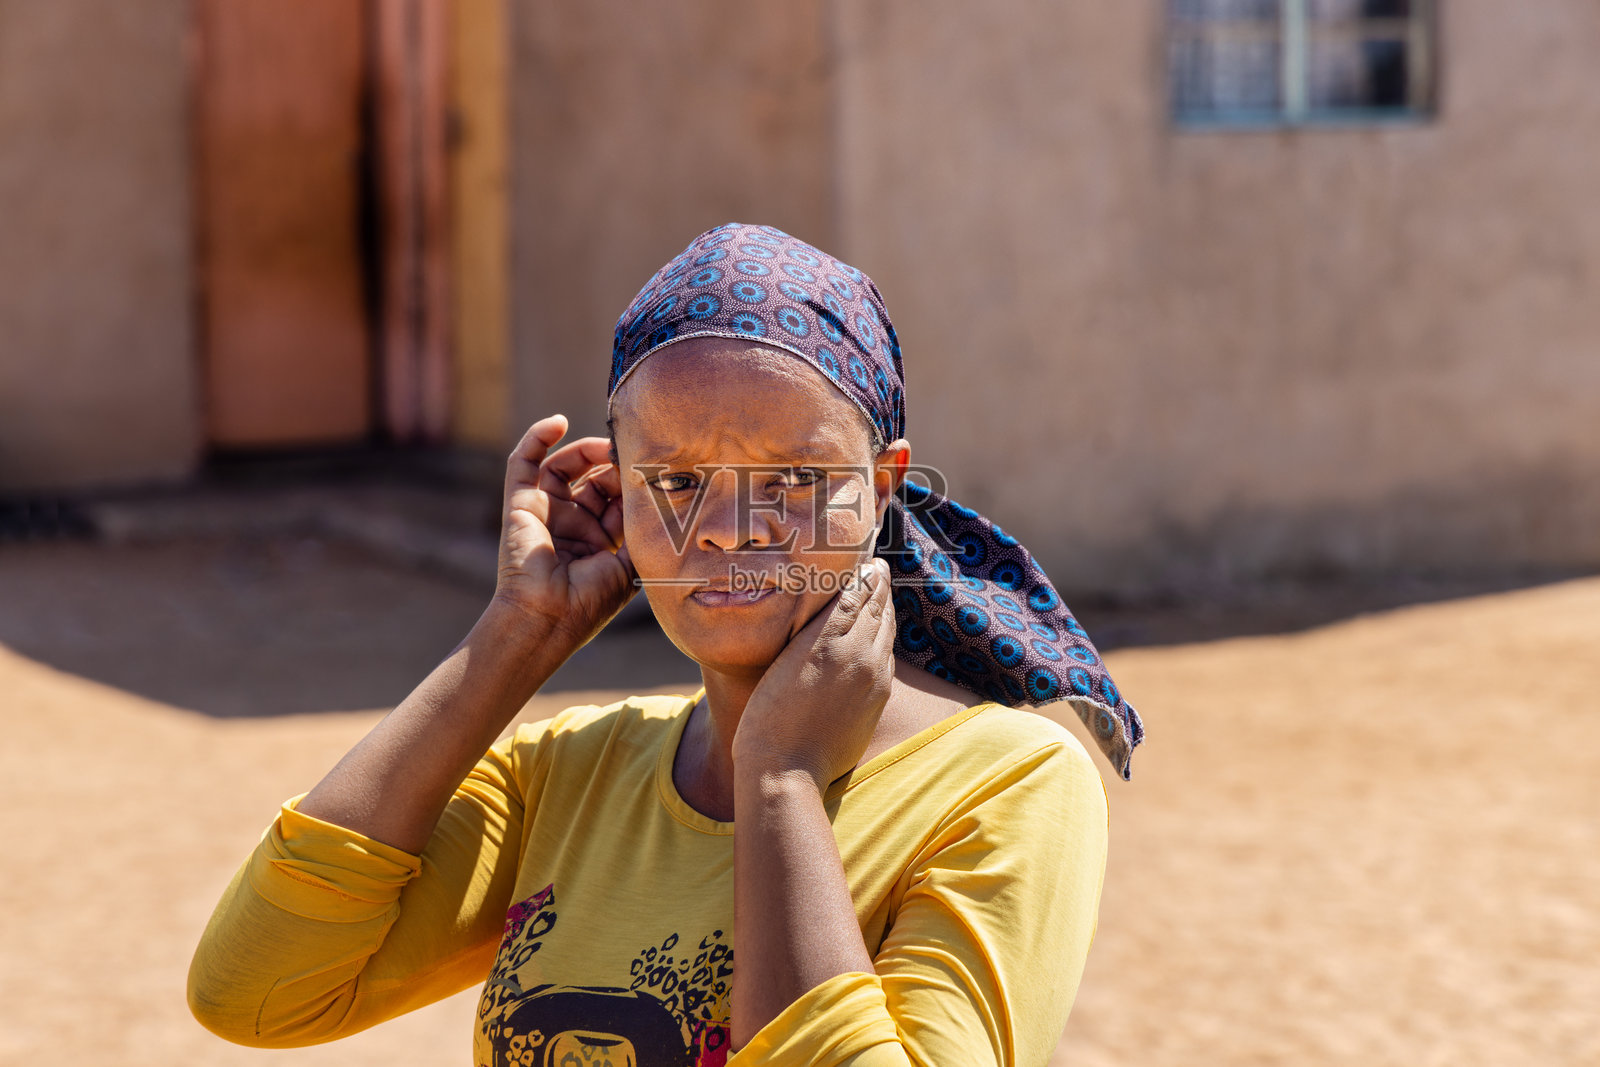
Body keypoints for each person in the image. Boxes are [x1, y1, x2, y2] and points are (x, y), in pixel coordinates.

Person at [187, 223, 1144, 1067]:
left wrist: (783, 780)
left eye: (796, 475)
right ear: (617, 489)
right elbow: (258, 991)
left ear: (884, 485)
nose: (727, 528)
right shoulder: (566, 775)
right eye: (676, 481)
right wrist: (521, 635)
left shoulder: (1006, 784)